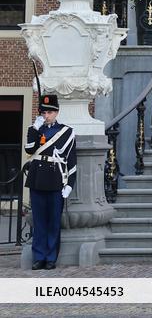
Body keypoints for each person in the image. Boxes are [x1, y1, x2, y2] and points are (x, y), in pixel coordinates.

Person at [23, 93, 76, 270]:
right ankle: (39, 257)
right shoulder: (35, 129)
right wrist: (34, 129)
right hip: (37, 178)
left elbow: (71, 160)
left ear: (57, 112)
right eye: (44, 113)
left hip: (55, 180)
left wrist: (70, 184)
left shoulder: (66, 132)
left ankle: (51, 257)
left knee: (53, 222)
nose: (46, 116)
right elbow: (29, 150)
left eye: (50, 112)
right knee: (39, 222)